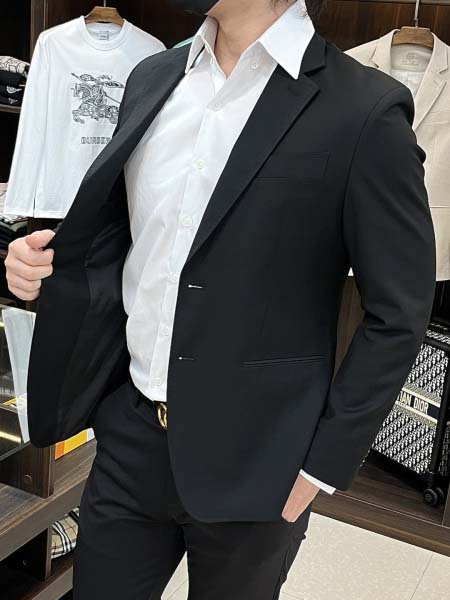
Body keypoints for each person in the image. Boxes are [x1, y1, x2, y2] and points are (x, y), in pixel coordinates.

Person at [5, 0, 436, 598]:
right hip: (131, 434)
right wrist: (44, 265)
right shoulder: (154, 77)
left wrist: (322, 466)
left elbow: (399, 310)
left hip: (261, 462)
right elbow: (134, 242)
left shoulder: (363, 108)